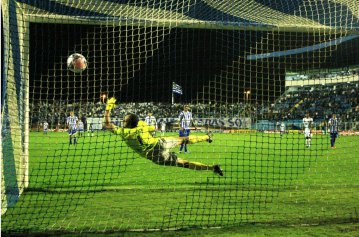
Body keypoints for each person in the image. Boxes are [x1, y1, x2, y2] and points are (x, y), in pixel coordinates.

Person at [104, 98, 223, 176]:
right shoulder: (141, 124)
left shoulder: (124, 133)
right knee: (183, 140)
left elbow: (108, 124)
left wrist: (108, 109)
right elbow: (153, 129)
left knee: (184, 163)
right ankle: (207, 137)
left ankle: (211, 168)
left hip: (156, 157)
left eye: (124, 121)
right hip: (160, 144)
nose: (122, 122)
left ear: (128, 124)